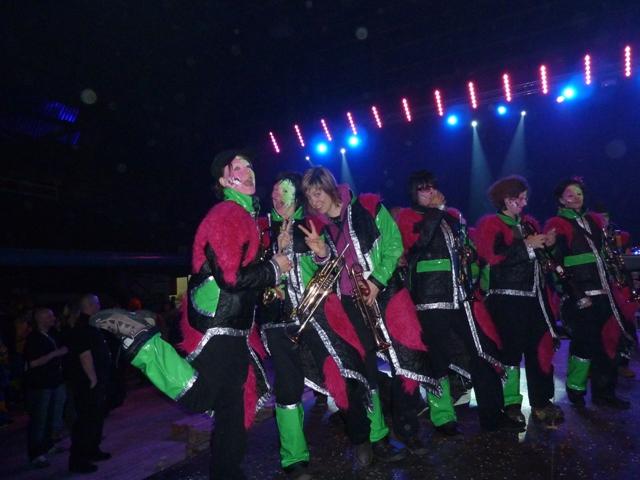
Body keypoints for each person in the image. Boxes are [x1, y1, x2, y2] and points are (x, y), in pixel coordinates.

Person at [91, 149, 291, 479]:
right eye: (238, 167)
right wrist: (274, 268)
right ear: (225, 180)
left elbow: (244, 272)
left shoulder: (244, 215)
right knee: (203, 396)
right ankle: (143, 341)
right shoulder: (228, 213)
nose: (249, 171)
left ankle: (227, 472)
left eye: (250, 166)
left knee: (231, 407)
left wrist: (275, 258)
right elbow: (231, 278)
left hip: (233, 324)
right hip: (220, 321)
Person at [302, 166, 431, 458]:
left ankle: (409, 430)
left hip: (387, 293)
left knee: (406, 361)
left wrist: (376, 282)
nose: (315, 201)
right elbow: (324, 271)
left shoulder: (369, 207)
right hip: (350, 304)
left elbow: (394, 244)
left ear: (330, 188)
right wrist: (321, 254)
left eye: (318, 193)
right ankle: (378, 437)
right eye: (309, 196)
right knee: (366, 370)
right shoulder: (318, 227)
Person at [260, 173, 374, 477]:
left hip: (317, 317)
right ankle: (294, 459)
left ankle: (361, 437)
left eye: (284, 191)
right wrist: (273, 256)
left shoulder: (313, 223)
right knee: (287, 388)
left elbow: (335, 265)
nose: (277, 197)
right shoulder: (261, 230)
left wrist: (321, 252)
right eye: (274, 192)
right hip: (277, 323)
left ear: (296, 195)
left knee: (342, 372)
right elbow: (252, 275)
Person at [396, 170, 518, 434]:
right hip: (430, 300)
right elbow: (418, 244)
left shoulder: (451, 217)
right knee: (436, 358)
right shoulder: (408, 217)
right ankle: (443, 417)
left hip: (461, 296)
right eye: (423, 188)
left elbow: (468, 249)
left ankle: (493, 415)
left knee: (483, 351)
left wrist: (469, 253)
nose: (430, 192)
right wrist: (437, 210)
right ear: (414, 193)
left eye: (432, 187)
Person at [475, 175, 564, 429]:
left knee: (540, 349)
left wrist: (547, 244)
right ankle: (511, 403)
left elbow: (539, 259)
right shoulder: (491, 224)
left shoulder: (528, 225)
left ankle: (541, 401)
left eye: (525, 198)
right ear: (507, 200)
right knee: (510, 353)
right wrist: (526, 246)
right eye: (520, 199)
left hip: (534, 298)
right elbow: (492, 257)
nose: (524, 203)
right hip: (506, 298)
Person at [544, 178, 634, 409]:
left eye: (579, 194)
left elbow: (606, 256)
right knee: (585, 342)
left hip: (604, 292)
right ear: (561, 199)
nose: (576, 198)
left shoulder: (594, 222)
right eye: (570, 194)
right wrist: (575, 294)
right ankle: (576, 389)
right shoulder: (557, 224)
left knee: (609, 342)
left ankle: (605, 393)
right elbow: (555, 264)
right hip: (579, 295)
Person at [66, 294, 112, 473]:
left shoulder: (90, 324)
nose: (99, 307)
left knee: (96, 418)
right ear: (91, 305)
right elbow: (84, 354)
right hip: (87, 383)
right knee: (86, 420)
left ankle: (93, 450)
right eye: (97, 304)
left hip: (95, 381)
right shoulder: (84, 327)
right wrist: (92, 378)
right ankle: (78, 460)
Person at [23, 308, 67, 468]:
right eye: (49, 316)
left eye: (52, 315)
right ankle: (36, 454)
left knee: (51, 417)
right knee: (39, 420)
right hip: (41, 384)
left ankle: (48, 445)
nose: (53, 318)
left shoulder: (52, 334)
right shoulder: (33, 338)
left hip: (55, 381)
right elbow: (32, 363)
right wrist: (55, 354)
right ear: (40, 319)